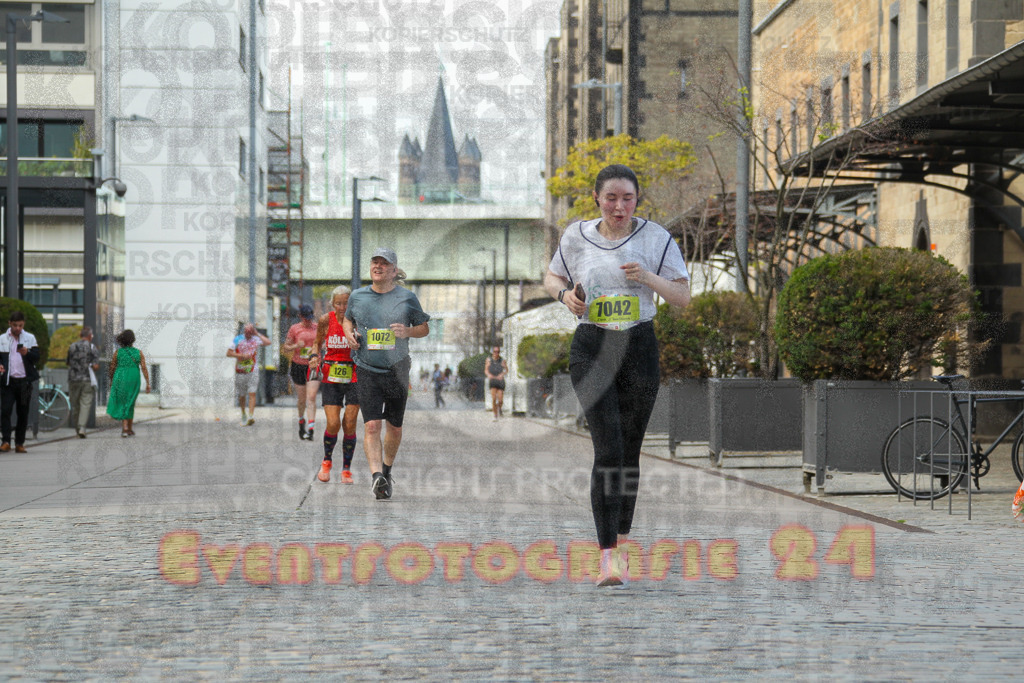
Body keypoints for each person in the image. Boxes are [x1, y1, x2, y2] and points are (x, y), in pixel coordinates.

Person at [544, 164, 691, 587]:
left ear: (637, 200)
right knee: (607, 450)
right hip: (592, 346)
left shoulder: (656, 237)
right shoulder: (576, 235)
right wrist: (563, 295)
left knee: (628, 453)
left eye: (627, 198)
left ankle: (621, 547)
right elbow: (552, 274)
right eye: (611, 197)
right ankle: (606, 555)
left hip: (638, 346)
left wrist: (648, 277)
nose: (619, 206)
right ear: (596, 198)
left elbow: (682, 296)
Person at [343, 247, 430, 500]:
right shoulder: (358, 296)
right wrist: (349, 334)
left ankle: (387, 471)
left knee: (395, 428)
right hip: (367, 368)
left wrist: (406, 331)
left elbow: (424, 328)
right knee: (371, 426)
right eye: (374, 262)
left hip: (397, 369)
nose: (378, 267)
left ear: (394, 270)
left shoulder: (407, 297)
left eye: (384, 264)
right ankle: (376, 476)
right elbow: (348, 320)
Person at [310, 286, 361, 484]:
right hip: (331, 374)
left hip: (354, 375)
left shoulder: (357, 321)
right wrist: (315, 355)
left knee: (349, 422)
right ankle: (327, 461)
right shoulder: (325, 320)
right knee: (333, 423)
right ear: (332, 304)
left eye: (346, 303)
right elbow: (316, 342)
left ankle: (346, 469)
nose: (342, 307)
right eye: (338, 303)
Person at [0, 311, 41, 453]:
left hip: (25, 382)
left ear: (23, 324)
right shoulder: (2, 339)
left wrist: (27, 353)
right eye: (15, 325)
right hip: (8, 382)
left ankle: (19, 443)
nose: (18, 328)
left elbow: (37, 357)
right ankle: (5, 441)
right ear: (10, 324)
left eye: (21, 325)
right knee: (5, 411)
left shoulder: (29, 338)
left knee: (23, 413)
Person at [282, 304, 320, 440]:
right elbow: (286, 347)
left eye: (310, 318)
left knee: (312, 397)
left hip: (313, 365)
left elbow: (325, 343)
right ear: (300, 317)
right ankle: (301, 422)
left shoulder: (318, 327)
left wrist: (316, 348)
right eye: (306, 318)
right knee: (302, 399)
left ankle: (311, 428)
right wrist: (295, 346)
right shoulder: (294, 329)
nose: (308, 321)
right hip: (298, 365)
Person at [106, 329, 151, 437]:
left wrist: (111, 380)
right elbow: (144, 368)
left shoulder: (118, 353)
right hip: (133, 377)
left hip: (120, 377)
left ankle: (126, 428)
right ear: (133, 340)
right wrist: (148, 383)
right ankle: (128, 428)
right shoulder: (138, 353)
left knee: (122, 402)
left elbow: (112, 367)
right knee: (130, 402)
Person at [227, 323, 271, 426]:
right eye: (246, 332)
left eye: (250, 332)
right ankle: (243, 414)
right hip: (240, 371)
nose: (248, 334)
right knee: (242, 395)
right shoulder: (237, 339)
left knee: (252, 393)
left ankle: (251, 416)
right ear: (243, 331)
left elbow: (268, 342)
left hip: (253, 370)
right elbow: (228, 353)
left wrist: (257, 333)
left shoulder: (255, 339)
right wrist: (241, 355)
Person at [67, 326, 100, 438]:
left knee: (75, 404)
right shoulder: (92, 347)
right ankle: (82, 427)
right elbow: (95, 366)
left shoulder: (72, 346)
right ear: (90, 336)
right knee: (85, 404)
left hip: (73, 379)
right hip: (87, 379)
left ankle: (77, 428)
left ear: (81, 335)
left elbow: (68, 362)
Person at [484, 345, 508, 421]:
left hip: (500, 381)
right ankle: (495, 415)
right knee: (494, 399)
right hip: (493, 380)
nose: (496, 353)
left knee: (500, 400)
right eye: (495, 352)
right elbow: (486, 370)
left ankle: (499, 408)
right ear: (492, 352)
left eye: (498, 352)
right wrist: (488, 375)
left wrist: (502, 374)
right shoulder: (489, 360)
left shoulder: (502, 360)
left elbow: (506, 370)